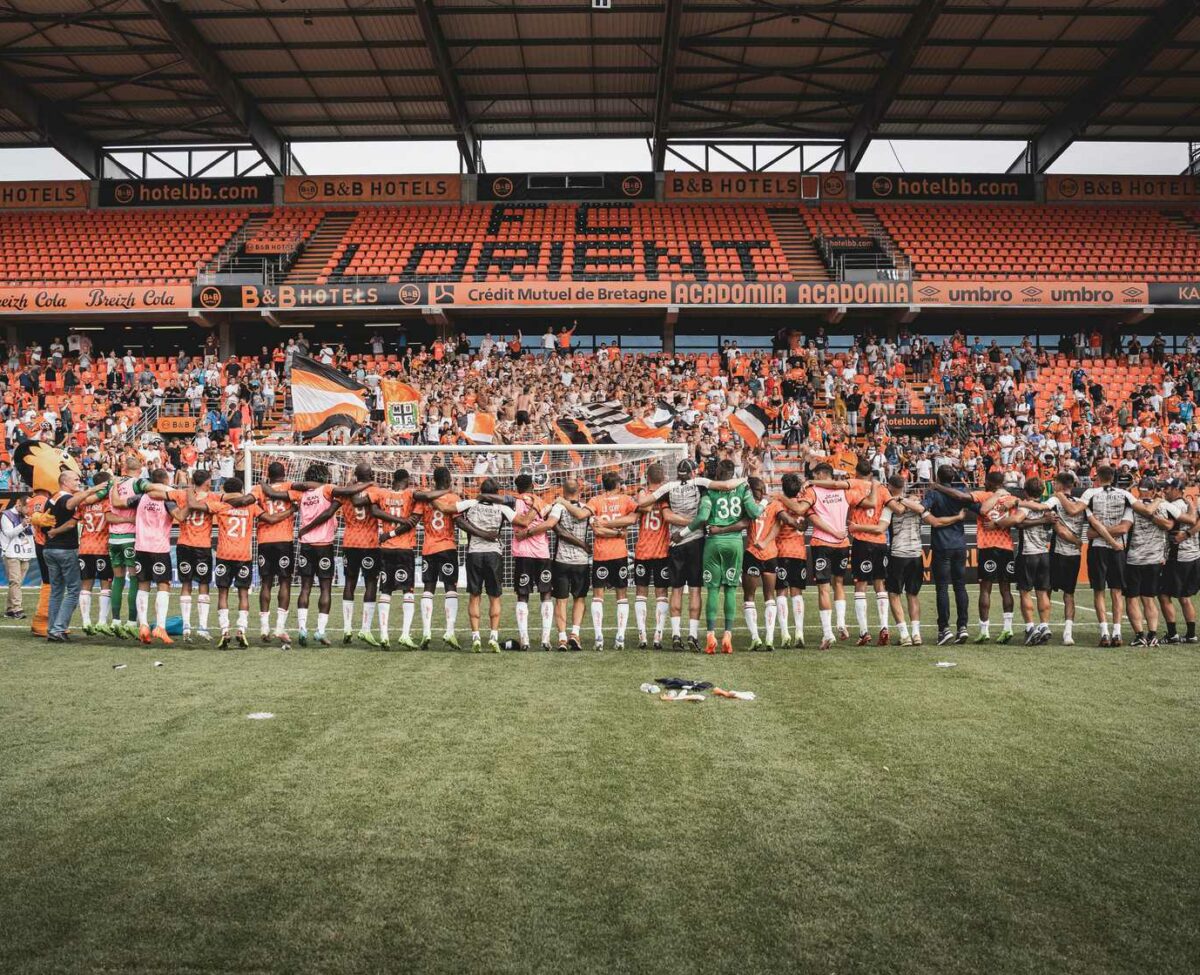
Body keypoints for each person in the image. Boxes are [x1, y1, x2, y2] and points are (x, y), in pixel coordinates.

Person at [201, 477, 289, 649]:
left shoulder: (220, 506)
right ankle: (241, 629)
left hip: (224, 554)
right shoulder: (251, 507)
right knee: (243, 594)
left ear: (225, 490)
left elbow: (199, 505)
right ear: (242, 490)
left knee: (223, 594)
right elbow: (271, 519)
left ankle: (225, 630)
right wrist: (291, 510)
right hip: (243, 556)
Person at [684, 459, 761, 654]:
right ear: (733, 474)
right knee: (730, 590)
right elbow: (753, 513)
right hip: (734, 543)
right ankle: (728, 635)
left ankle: (711, 635)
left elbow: (702, 517)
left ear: (717, 473)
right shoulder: (743, 488)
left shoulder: (709, 491)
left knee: (712, 590)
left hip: (713, 543)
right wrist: (763, 504)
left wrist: (684, 532)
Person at [43, 470, 108, 642]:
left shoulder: (52, 498)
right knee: (74, 590)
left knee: (56, 591)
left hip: (49, 549)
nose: (79, 482)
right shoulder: (66, 498)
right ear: (65, 482)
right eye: (75, 479)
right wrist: (93, 489)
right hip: (65, 549)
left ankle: (52, 629)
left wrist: (52, 532)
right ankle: (58, 629)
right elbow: (70, 506)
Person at [922, 467, 981, 645]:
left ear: (937, 477)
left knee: (942, 588)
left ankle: (944, 629)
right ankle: (962, 627)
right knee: (960, 586)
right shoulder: (961, 493)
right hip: (959, 545)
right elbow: (979, 508)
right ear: (954, 476)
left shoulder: (933, 493)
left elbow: (922, 508)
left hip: (941, 545)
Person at [800, 463, 855, 651]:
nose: (813, 478)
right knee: (839, 583)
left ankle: (828, 633)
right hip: (842, 542)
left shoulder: (812, 491)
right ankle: (841, 623)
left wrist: (832, 531)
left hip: (822, 542)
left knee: (823, 589)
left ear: (821, 474)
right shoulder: (844, 490)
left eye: (815, 475)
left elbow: (812, 518)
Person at [1080, 466, 1134, 647]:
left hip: (1097, 548)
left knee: (1099, 591)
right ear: (1113, 477)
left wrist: (1098, 533)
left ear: (1097, 477)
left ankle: (1104, 632)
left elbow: (1091, 530)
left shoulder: (1090, 494)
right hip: (1118, 549)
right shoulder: (1125, 495)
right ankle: (1117, 632)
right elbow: (1123, 528)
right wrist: (1112, 538)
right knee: (1117, 591)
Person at [584, 472, 639, 650]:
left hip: (601, 554)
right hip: (619, 553)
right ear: (617, 485)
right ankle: (620, 637)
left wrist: (606, 525)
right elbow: (633, 518)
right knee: (621, 596)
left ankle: (598, 638)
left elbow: (598, 529)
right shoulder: (626, 500)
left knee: (597, 596)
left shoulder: (595, 501)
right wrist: (618, 532)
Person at [459, 481, 514, 653]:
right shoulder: (502, 508)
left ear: (480, 491)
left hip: (474, 553)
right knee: (494, 597)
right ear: (496, 493)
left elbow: (452, 511)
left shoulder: (469, 504)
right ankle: (493, 636)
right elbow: (520, 519)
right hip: (493, 554)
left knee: (474, 596)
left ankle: (476, 637)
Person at [510, 473, 559, 651]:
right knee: (546, 593)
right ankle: (546, 639)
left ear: (517, 488)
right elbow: (550, 524)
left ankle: (524, 639)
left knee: (523, 595)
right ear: (533, 485)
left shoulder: (513, 502)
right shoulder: (542, 503)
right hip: (541, 553)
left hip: (522, 553)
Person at [370, 469, 418, 649]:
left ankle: (384, 635)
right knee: (408, 591)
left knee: (385, 591)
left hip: (386, 549)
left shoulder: (382, 493)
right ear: (407, 479)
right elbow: (410, 523)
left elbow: (373, 510)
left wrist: (387, 534)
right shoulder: (411, 495)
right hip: (404, 548)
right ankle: (405, 634)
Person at [251, 462, 297, 647]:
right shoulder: (290, 487)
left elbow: (250, 501)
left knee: (266, 582)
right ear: (284, 473)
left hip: (264, 540)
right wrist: (292, 509)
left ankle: (264, 628)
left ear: (267, 474)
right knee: (285, 582)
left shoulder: (258, 488)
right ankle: (279, 627)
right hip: (284, 540)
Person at [1124, 479, 1173, 647]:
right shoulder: (1163, 506)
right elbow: (1170, 525)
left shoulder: (1132, 506)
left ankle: (1140, 635)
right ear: (1153, 491)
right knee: (1149, 599)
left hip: (1134, 559)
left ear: (1139, 490)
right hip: (1154, 559)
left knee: (1132, 599)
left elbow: (1125, 527)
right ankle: (1152, 635)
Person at [1007, 477, 1056, 645]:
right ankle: (1044, 626)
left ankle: (1030, 627)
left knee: (1025, 591)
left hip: (1028, 553)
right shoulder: (1048, 508)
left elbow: (1018, 523)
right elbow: (1049, 524)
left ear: (1025, 492)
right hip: (1044, 553)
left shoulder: (1025, 507)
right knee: (1042, 592)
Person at [339, 462, 383, 646]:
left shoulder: (346, 492)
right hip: (370, 542)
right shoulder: (375, 491)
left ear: (356, 475)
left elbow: (333, 509)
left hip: (350, 541)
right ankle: (365, 629)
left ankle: (347, 628)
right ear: (371, 474)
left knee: (349, 582)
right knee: (371, 583)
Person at [170, 470, 217, 642]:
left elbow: (163, 493)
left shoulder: (181, 494)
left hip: (184, 544)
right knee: (203, 584)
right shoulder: (213, 498)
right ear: (207, 482)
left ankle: (186, 627)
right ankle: (202, 627)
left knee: (186, 584)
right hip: (202, 546)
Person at [972, 470, 1018, 644]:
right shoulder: (1011, 499)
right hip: (1006, 546)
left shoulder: (984, 496)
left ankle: (984, 630)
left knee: (985, 589)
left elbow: (981, 508)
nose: (984, 483)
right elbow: (1015, 520)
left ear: (990, 483)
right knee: (1006, 589)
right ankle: (1008, 628)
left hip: (987, 546)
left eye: (986, 481)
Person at [848, 459, 890, 646]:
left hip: (862, 541)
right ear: (871, 474)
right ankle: (884, 627)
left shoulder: (854, 487)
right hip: (880, 542)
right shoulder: (882, 489)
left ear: (856, 472)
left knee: (861, 585)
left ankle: (864, 631)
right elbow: (894, 506)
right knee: (880, 584)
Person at [880, 475, 925, 646]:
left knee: (893, 594)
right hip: (916, 554)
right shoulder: (914, 502)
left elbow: (883, 526)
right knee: (912, 595)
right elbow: (921, 509)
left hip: (898, 554)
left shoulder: (890, 505)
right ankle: (916, 634)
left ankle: (904, 635)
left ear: (889, 486)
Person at [632, 464, 673, 650]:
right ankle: (658, 634)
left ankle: (642, 634)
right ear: (663, 478)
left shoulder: (642, 495)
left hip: (642, 550)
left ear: (647, 477)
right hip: (661, 551)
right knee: (661, 593)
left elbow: (641, 507)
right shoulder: (666, 496)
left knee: (641, 593)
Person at [742, 476, 782, 651]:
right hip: (770, 553)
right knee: (769, 596)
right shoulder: (774, 504)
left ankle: (755, 637)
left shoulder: (748, 505)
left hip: (752, 553)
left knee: (749, 597)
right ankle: (770, 638)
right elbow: (779, 524)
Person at [1158, 478, 1199, 644]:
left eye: (1167, 488)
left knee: (1163, 594)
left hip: (1178, 556)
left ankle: (1172, 634)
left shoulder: (1173, 506)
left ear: (1177, 489)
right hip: (1194, 555)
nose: (1165, 491)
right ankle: (1191, 634)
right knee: (1184, 596)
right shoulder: (1190, 504)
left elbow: (1168, 525)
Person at [75, 471, 113, 634]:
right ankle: (102, 621)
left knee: (86, 585)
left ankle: (86, 621)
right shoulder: (108, 501)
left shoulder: (83, 502)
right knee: (106, 584)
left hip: (85, 546)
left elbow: (76, 519)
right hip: (103, 547)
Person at [1, 496, 34, 619]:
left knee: (17, 583)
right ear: (19, 504)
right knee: (15, 581)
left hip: (25, 552)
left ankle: (10, 610)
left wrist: (34, 523)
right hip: (11, 552)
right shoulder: (7, 515)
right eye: (27, 507)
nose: (29, 510)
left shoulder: (29, 515)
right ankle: (17, 608)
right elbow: (9, 533)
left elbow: (33, 533)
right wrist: (23, 524)